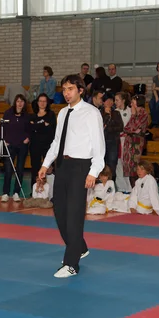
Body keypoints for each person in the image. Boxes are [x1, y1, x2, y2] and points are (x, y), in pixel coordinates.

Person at [39, 75, 105, 278]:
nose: (66, 93)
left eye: (70, 89)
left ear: (80, 90)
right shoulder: (62, 113)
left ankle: (71, 264)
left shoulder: (91, 113)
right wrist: (45, 164)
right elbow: (57, 142)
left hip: (81, 166)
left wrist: (93, 172)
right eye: (64, 89)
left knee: (74, 215)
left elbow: (99, 146)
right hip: (63, 165)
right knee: (59, 211)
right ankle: (80, 247)